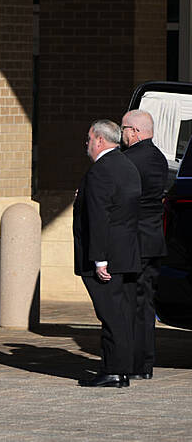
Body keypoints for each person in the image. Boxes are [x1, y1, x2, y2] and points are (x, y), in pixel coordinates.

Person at [74, 119, 141, 387]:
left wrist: (100, 259)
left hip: (108, 257)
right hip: (126, 253)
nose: (87, 145)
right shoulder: (127, 165)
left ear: (100, 140)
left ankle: (114, 370)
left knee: (110, 315)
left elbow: (100, 217)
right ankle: (122, 369)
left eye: (89, 139)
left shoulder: (101, 170)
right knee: (121, 314)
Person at [121, 109, 168, 380]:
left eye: (124, 128)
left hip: (134, 242)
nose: (122, 133)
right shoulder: (159, 158)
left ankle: (134, 363)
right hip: (152, 240)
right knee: (145, 304)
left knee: (131, 304)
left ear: (135, 131)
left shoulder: (129, 160)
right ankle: (145, 363)